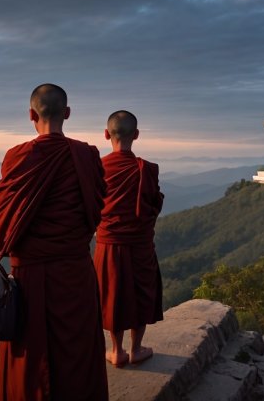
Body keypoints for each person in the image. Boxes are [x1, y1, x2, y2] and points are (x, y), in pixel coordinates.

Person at [0, 84, 108, 401]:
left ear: (31, 115)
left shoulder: (17, 157)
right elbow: (95, 212)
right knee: (79, 353)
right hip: (75, 275)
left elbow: (3, 229)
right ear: (67, 114)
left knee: (31, 364)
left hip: (30, 279)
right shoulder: (87, 156)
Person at [94, 110, 164, 367]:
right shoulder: (147, 169)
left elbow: (89, 205)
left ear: (106, 134)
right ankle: (136, 349)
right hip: (140, 243)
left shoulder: (97, 168)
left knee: (113, 293)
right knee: (140, 292)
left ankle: (116, 351)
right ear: (136, 135)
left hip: (108, 243)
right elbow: (153, 204)